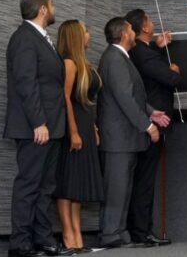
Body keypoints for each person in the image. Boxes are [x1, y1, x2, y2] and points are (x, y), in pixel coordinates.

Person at [4, 0, 72, 257]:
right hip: (37, 127)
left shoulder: (40, 39)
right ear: (43, 9)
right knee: (29, 185)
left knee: (46, 187)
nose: (54, 9)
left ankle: (43, 239)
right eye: (52, 4)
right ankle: (20, 244)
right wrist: (39, 122)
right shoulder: (24, 39)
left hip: (51, 127)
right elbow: (26, 83)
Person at [96, 17, 171, 248]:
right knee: (117, 189)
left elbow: (133, 95)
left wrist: (151, 112)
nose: (133, 33)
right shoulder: (114, 59)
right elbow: (125, 98)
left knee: (124, 188)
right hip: (118, 138)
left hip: (125, 138)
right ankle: (111, 234)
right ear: (124, 34)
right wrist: (148, 126)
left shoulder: (120, 58)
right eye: (130, 29)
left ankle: (119, 233)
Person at [124, 9, 182, 247]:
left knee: (142, 178)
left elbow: (149, 70)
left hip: (145, 123)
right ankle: (141, 232)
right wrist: (174, 71)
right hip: (152, 124)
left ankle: (139, 229)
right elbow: (170, 78)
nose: (153, 22)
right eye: (149, 20)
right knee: (145, 180)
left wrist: (158, 48)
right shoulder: (142, 53)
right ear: (144, 28)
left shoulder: (141, 51)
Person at [54, 20, 104, 253]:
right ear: (75, 36)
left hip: (85, 124)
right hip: (71, 127)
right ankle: (68, 234)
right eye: (85, 31)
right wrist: (73, 131)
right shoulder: (69, 64)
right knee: (68, 181)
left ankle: (77, 233)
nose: (89, 34)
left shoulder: (83, 63)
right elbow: (65, 100)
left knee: (78, 184)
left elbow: (88, 103)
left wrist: (93, 129)